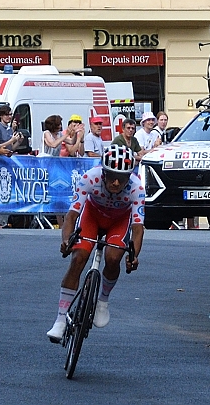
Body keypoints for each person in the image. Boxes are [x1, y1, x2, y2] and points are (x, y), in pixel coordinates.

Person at [46, 145, 144, 343]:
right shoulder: (90, 178)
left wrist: (133, 256)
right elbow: (72, 215)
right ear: (104, 172)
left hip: (118, 221)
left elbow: (138, 228)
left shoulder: (136, 188)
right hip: (92, 215)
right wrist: (66, 239)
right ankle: (60, 319)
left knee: (113, 256)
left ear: (129, 177)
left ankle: (103, 301)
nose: (116, 182)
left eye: (122, 178)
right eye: (112, 176)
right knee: (79, 258)